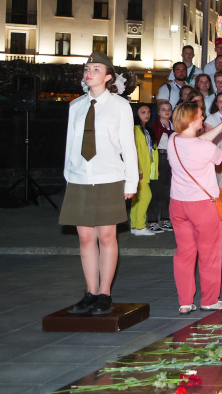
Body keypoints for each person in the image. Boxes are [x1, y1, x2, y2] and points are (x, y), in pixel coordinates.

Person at [60, 52, 138, 316]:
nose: (89, 73)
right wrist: (68, 174)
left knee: (106, 236)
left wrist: (132, 181)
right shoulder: (76, 106)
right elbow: (71, 144)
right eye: (87, 69)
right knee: (84, 237)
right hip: (81, 177)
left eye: (95, 69)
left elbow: (129, 145)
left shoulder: (119, 106)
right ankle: (90, 292)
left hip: (109, 176)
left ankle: (104, 294)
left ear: (107, 77)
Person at [166, 99, 222, 313]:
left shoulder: (173, 140)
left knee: (184, 253)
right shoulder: (203, 147)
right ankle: (209, 299)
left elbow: (200, 140)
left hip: (178, 204)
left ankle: (185, 301)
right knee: (210, 253)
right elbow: (221, 154)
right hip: (202, 206)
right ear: (191, 120)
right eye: (199, 115)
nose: (203, 118)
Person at [129, 103, 158, 237]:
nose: (147, 115)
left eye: (148, 112)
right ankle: (140, 226)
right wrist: (138, 168)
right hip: (139, 169)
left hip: (147, 168)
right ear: (136, 114)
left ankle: (135, 225)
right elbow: (134, 152)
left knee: (138, 198)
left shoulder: (146, 130)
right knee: (146, 196)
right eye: (143, 112)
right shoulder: (135, 130)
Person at [147, 100, 175, 232]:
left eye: (169, 109)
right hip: (159, 157)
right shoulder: (154, 127)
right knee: (155, 191)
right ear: (158, 112)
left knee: (168, 190)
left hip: (171, 159)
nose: (167, 111)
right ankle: (152, 220)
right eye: (163, 109)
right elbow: (152, 145)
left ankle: (165, 218)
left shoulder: (174, 126)